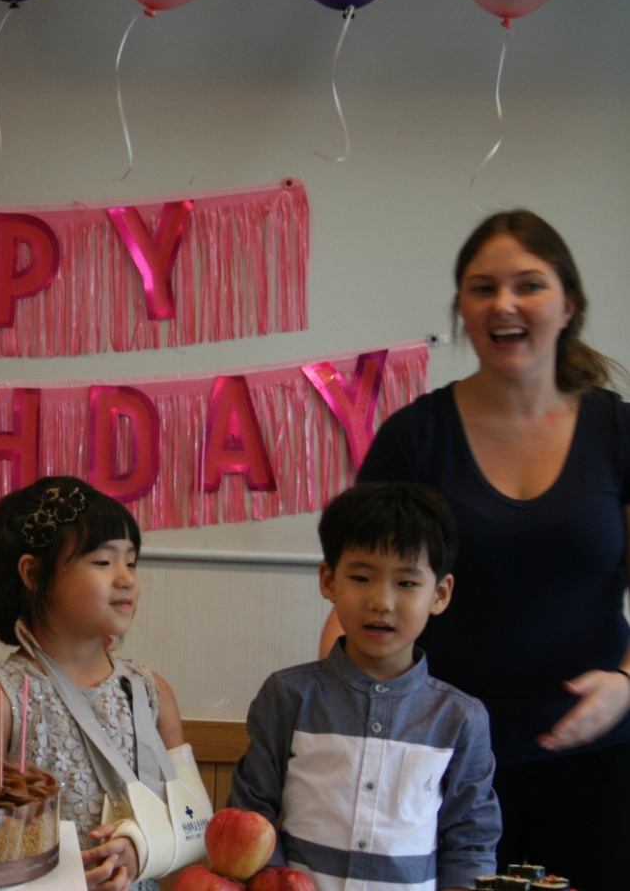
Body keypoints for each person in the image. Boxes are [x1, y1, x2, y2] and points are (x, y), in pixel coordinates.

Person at [325, 211, 630, 889]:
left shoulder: (618, 433)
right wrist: (332, 720)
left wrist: (627, 683)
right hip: (434, 762)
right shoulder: (415, 437)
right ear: (462, 308)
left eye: (529, 285)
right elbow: (359, 591)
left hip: (598, 765)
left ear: (568, 305)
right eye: (483, 288)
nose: (504, 304)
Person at [231, 482, 500, 891]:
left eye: (406, 583)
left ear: (440, 594)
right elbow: (253, 812)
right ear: (328, 580)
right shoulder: (289, 695)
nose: (381, 601)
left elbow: (471, 842)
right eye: (360, 577)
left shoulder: (460, 718)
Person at [0, 476, 200, 891]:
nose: (126, 578)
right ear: (33, 573)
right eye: (104, 562)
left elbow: (195, 825)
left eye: (131, 562)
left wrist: (144, 850)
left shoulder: (152, 693)